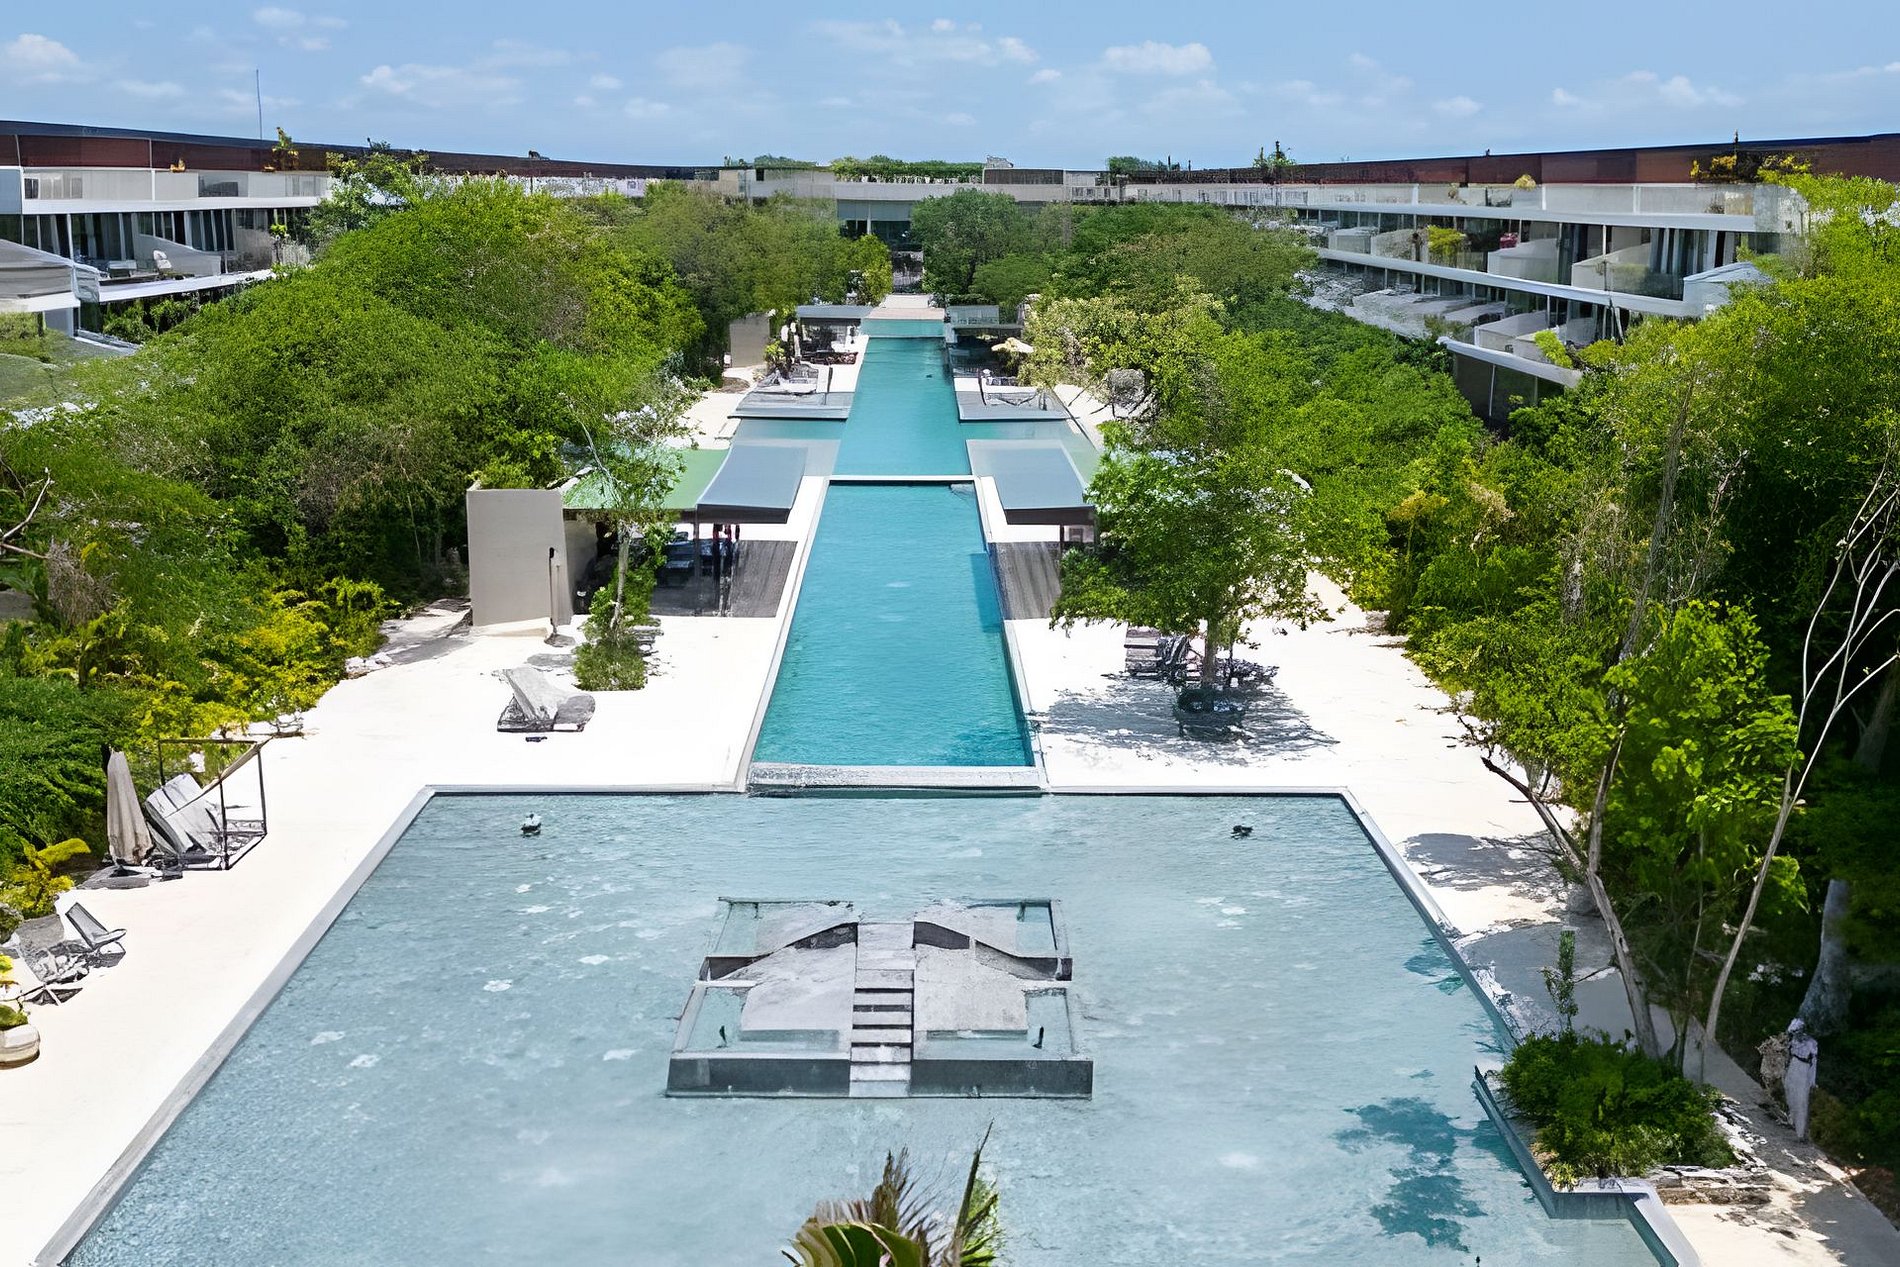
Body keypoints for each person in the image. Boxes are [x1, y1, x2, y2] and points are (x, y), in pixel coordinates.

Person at [1784, 1017, 1819, 1141]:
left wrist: (1812, 1080)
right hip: (1794, 1064)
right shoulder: (1794, 1039)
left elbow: (1814, 1062)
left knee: (1801, 1098)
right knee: (1788, 1089)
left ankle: (1800, 1132)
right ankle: (1791, 1118)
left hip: (1804, 1068)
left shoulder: (1812, 1043)